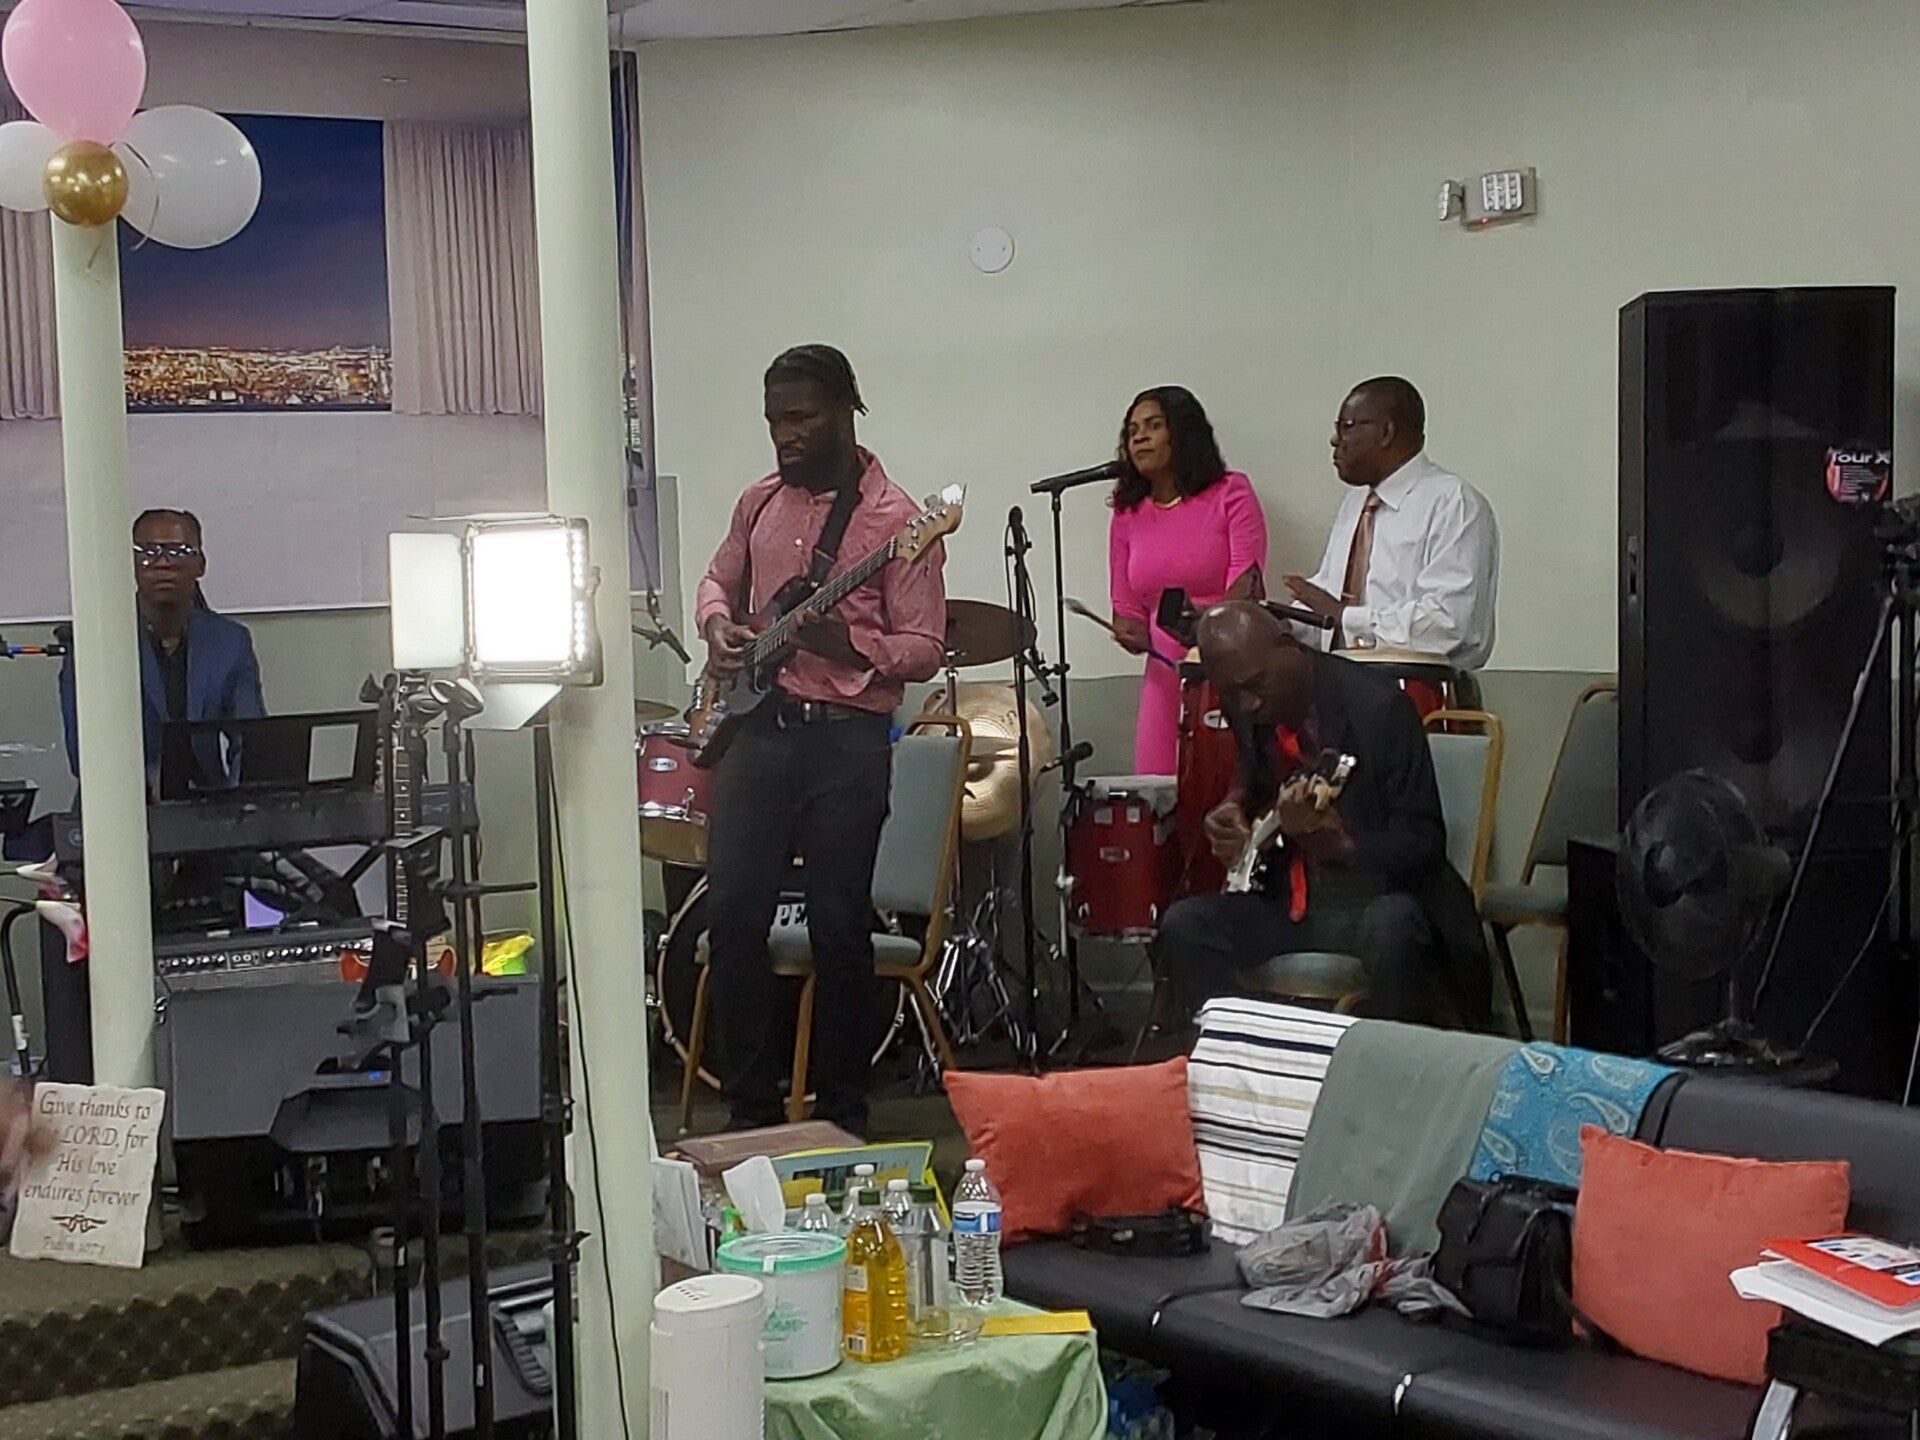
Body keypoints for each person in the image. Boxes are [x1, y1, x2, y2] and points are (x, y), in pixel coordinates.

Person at [695, 345, 946, 1135]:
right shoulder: (758, 502)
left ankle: (842, 1113)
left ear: (846, 410)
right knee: (733, 917)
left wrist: (850, 645)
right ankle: (750, 1113)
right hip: (759, 732)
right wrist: (719, 626)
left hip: (847, 742)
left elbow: (925, 647)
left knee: (840, 927)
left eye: (801, 417)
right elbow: (717, 580)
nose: (785, 435)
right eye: (775, 419)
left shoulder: (898, 521)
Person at [1154, 602, 1491, 1026]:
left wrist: (1342, 845)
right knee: (1185, 926)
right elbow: (1253, 774)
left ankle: (1384, 1059)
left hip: (1373, 900)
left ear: (1288, 645)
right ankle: (1246, 1048)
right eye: (1232, 695)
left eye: (1255, 685)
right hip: (1289, 904)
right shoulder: (1250, 705)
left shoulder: (1380, 709)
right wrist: (1233, 806)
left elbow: (1424, 842)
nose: (1248, 703)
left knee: (1394, 927)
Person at [1283, 378, 1498, 683]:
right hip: (1340, 681)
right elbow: (1328, 602)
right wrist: (1280, 623)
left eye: (1346, 426)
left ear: (1386, 432)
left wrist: (1346, 617)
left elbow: (1448, 624)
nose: (1335, 440)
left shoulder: (1453, 503)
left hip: (1417, 689)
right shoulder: (1356, 502)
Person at [1107, 386, 1268, 774]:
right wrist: (1129, 631)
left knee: (1222, 785)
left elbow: (1245, 591)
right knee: (1157, 788)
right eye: (1132, 431)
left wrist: (1203, 631)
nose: (1139, 438)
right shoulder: (1128, 513)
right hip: (1164, 676)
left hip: (1226, 669)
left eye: (1153, 426)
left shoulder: (1231, 492)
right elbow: (1126, 608)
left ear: (1183, 433)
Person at [57, 508, 266, 792]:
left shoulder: (230, 641)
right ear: (130, 563)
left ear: (201, 564)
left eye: (179, 552)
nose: (163, 563)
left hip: (208, 803)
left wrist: (241, 802)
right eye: (148, 552)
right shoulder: (94, 642)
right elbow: (84, 754)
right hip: (120, 805)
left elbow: (252, 740)